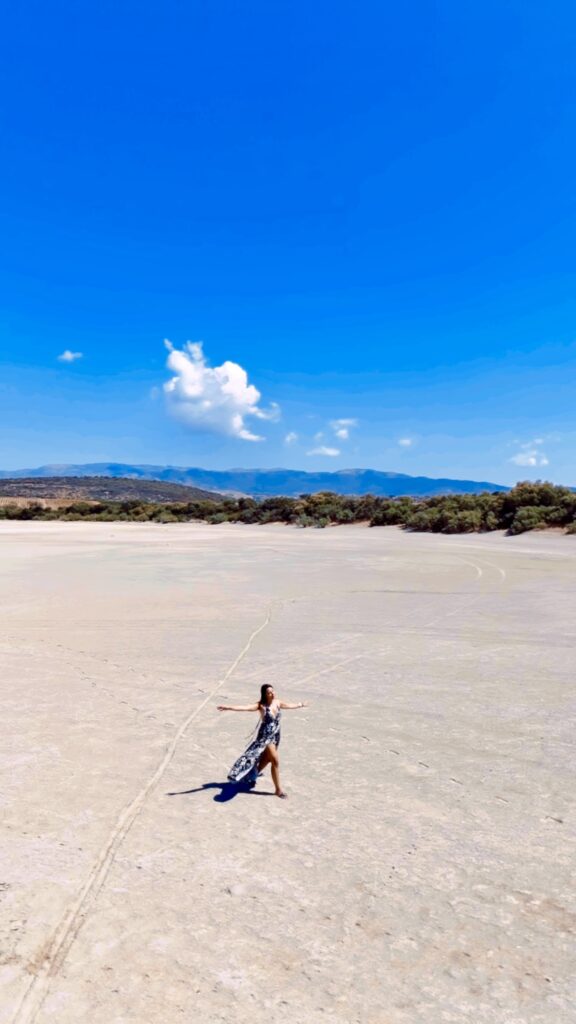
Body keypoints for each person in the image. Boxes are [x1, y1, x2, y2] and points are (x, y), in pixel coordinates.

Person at [217, 684, 307, 799]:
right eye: (270, 692)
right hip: (265, 738)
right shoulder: (260, 706)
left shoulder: (277, 702)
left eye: (273, 691)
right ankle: (278, 790)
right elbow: (245, 707)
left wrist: (300, 704)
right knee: (275, 760)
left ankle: (254, 773)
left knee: (269, 759)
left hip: (276, 736)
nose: (273, 694)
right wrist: (229, 707)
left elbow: (289, 705)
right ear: (265, 694)